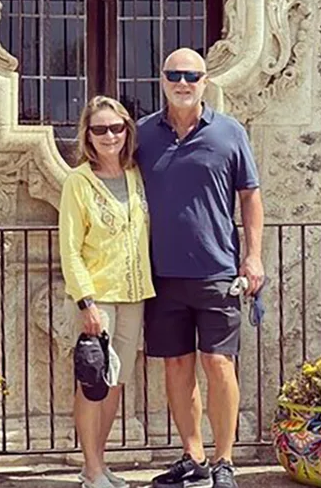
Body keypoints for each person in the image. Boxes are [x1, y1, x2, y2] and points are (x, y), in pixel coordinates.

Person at [136, 48, 265, 488]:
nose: (183, 82)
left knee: (219, 364)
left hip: (218, 273)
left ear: (205, 80)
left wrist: (253, 256)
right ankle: (193, 456)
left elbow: (250, 196)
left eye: (192, 75)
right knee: (176, 366)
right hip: (162, 275)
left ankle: (225, 461)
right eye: (175, 74)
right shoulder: (143, 135)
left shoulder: (230, 133)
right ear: (162, 79)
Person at [59, 95, 156, 488]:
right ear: (88, 135)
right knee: (92, 384)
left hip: (134, 293)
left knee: (116, 382)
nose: (109, 135)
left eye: (116, 127)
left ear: (127, 130)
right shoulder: (78, 182)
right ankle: (93, 468)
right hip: (97, 298)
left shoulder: (136, 175)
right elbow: (69, 247)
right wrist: (87, 303)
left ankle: (96, 466)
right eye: (99, 129)